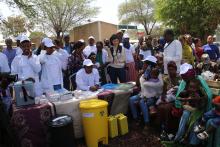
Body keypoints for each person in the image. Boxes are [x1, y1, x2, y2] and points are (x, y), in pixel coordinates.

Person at [174, 63, 212, 145]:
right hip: (189, 107)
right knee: (185, 115)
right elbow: (180, 96)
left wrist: (198, 100)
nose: (183, 78)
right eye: (183, 76)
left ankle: (192, 142)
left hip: (200, 109)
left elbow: (207, 96)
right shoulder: (187, 84)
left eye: (185, 76)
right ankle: (180, 137)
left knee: (195, 121)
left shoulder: (198, 82)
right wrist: (184, 101)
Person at [129, 55, 163, 134]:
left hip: (153, 96)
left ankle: (147, 124)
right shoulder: (144, 73)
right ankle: (136, 118)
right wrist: (138, 75)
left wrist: (145, 82)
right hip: (143, 94)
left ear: (149, 65)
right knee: (131, 99)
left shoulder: (157, 74)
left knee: (142, 102)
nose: (143, 65)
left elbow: (159, 85)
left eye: (145, 64)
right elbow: (139, 85)